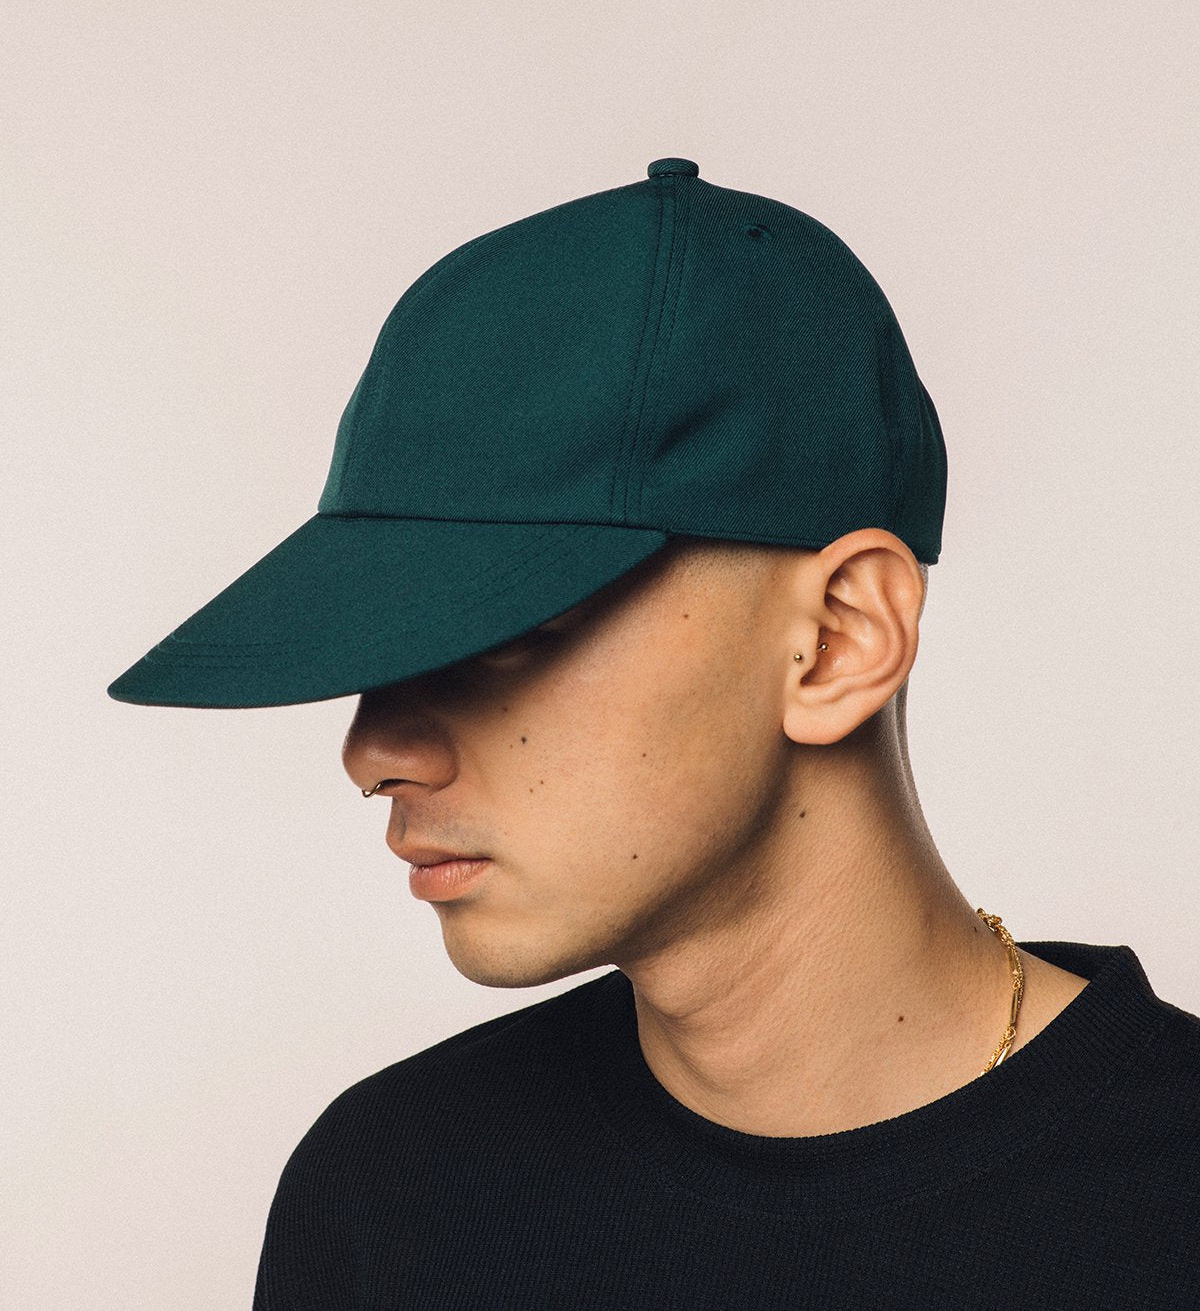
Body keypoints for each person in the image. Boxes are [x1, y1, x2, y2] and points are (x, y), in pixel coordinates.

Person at [109, 158, 1199, 1308]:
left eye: (509, 634)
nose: (374, 754)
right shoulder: (389, 1192)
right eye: (387, 645)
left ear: (839, 639)